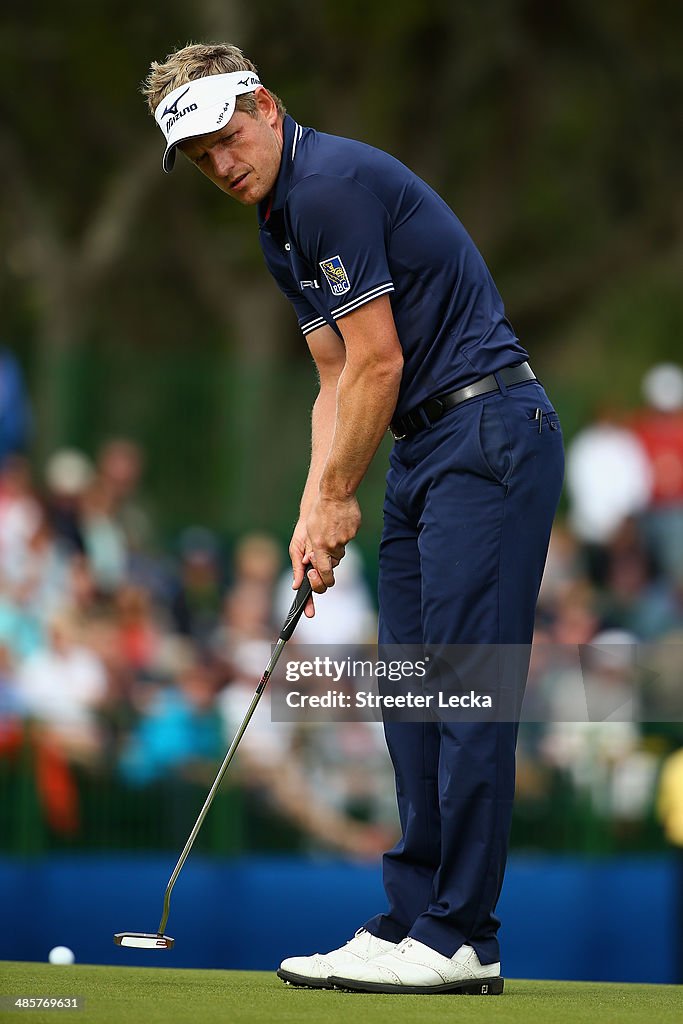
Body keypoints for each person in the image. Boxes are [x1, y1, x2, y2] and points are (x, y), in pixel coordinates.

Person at [142, 43, 564, 996]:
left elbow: (379, 361)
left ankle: (461, 934)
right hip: (425, 450)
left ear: (264, 104)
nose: (221, 165)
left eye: (224, 137)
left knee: (461, 693)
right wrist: (309, 506)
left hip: (487, 430)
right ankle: (413, 917)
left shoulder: (327, 184)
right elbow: (334, 374)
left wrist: (339, 495)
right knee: (408, 693)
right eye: (200, 158)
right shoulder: (280, 223)